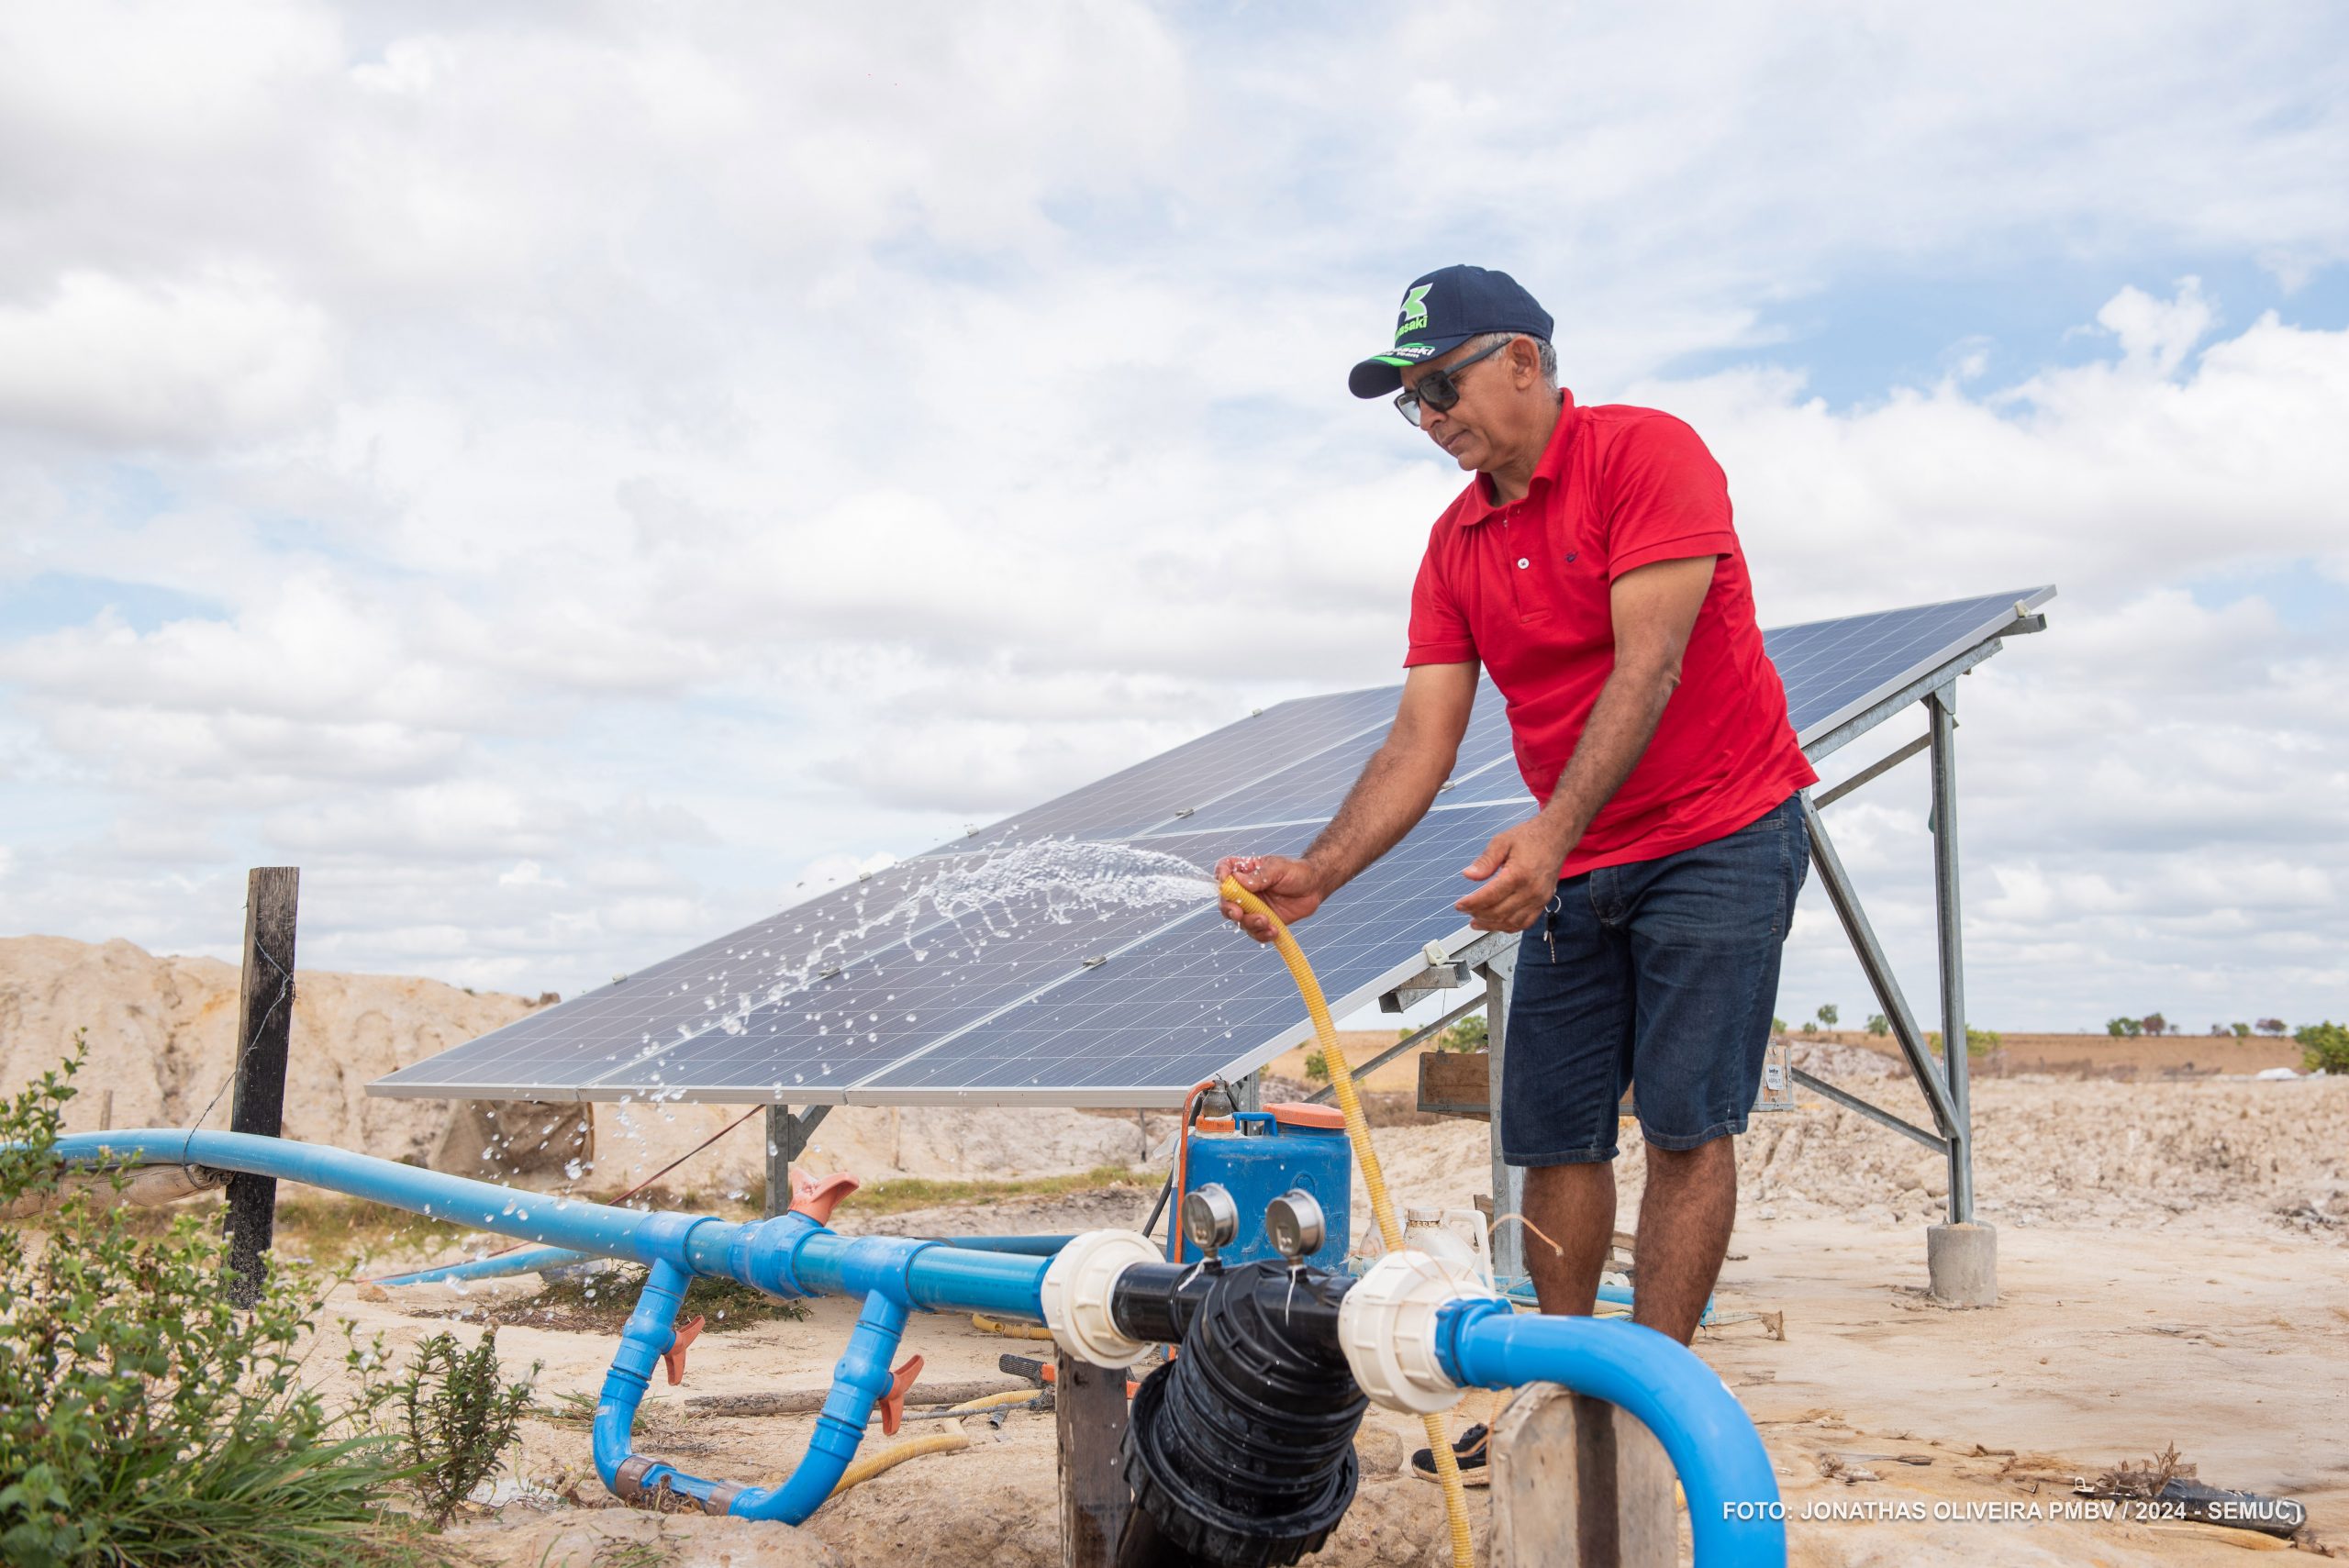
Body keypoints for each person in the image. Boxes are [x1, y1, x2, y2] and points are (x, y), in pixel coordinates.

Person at [1217, 264, 1814, 1364]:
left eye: (1440, 385)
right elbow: (1420, 737)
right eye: (1413, 402)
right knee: (1554, 1130)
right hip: (1576, 856)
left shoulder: (1646, 454)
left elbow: (1650, 666)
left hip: (1719, 831)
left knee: (1686, 1123)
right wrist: (1319, 869)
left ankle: (1650, 1389)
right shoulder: (1454, 543)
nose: (1430, 418)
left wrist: (1549, 834)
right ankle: (1564, 1376)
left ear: (1524, 362)